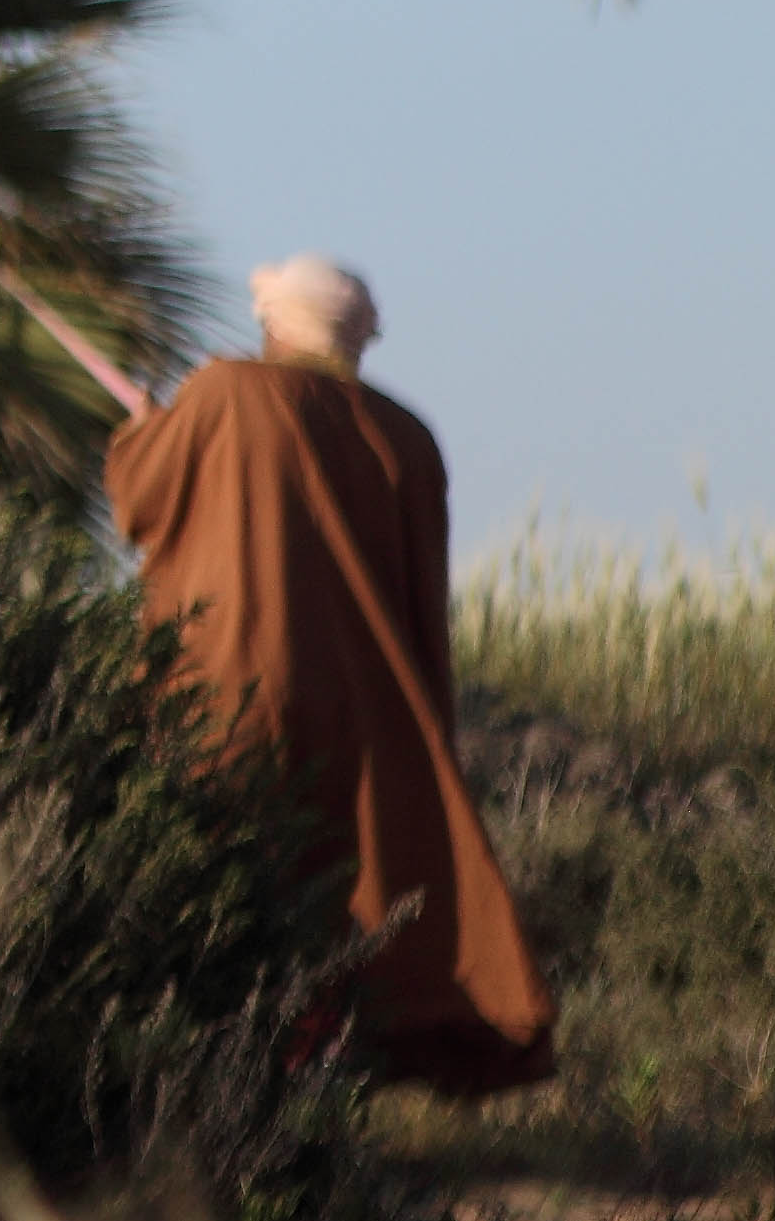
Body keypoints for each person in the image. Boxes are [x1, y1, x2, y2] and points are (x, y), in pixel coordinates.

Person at [102, 257, 557, 1094]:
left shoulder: (228, 393)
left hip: (235, 697)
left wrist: (145, 430)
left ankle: (233, 1091)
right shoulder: (406, 435)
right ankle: (315, 1086)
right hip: (368, 720)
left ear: (275, 322)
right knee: (339, 900)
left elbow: (140, 497)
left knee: (223, 893)